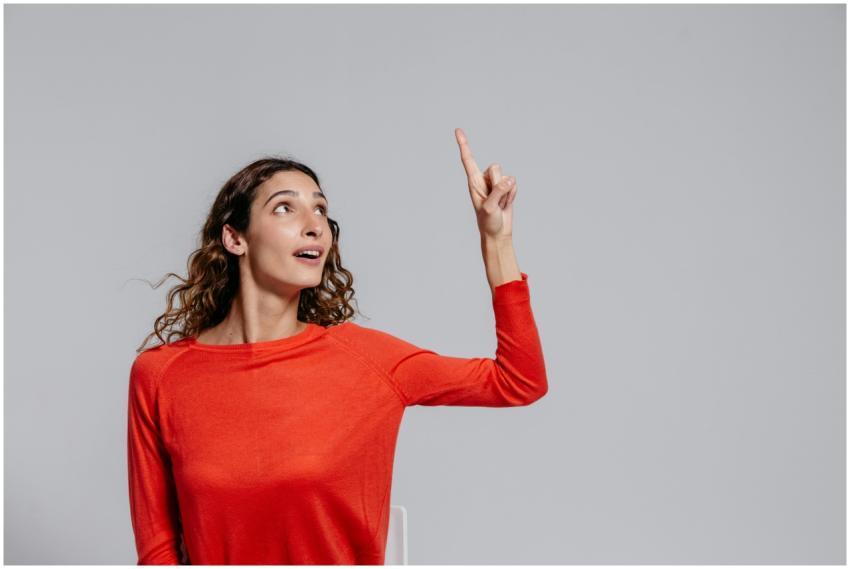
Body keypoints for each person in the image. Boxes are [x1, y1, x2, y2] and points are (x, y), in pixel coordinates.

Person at [126, 128, 548, 565]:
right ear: (235, 239)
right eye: (285, 208)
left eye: (321, 210)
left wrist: (496, 241)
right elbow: (157, 550)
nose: (315, 227)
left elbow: (519, 380)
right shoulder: (161, 375)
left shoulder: (368, 361)